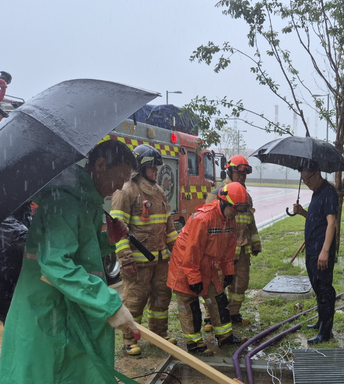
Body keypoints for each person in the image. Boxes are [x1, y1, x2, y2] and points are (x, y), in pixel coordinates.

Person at [0, 140, 153, 384]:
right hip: (48, 322)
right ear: (98, 165)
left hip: (77, 319)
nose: (118, 189)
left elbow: (84, 255)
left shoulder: (85, 203)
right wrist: (110, 306)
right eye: (118, 178)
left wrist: (107, 240)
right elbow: (57, 263)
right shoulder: (63, 200)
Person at [110, 144, 179, 356]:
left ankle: (159, 335)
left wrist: (176, 251)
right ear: (141, 168)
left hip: (160, 260)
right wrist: (126, 260)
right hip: (137, 263)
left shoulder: (159, 192)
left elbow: (168, 226)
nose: (156, 172)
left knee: (161, 298)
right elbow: (117, 231)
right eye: (153, 168)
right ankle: (130, 339)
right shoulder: (126, 192)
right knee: (135, 301)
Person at [167, 182, 250, 356]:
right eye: (235, 209)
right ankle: (194, 342)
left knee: (218, 299)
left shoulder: (229, 220)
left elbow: (229, 249)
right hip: (185, 265)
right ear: (224, 202)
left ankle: (224, 336)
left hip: (208, 266)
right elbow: (192, 252)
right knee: (190, 305)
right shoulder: (203, 219)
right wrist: (193, 278)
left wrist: (228, 271)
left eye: (239, 210)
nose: (236, 214)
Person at [203, 154, 261, 328]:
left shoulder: (245, 196)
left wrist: (256, 243)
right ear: (229, 171)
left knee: (240, 284)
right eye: (239, 173)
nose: (242, 176)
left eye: (245, 174)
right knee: (217, 284)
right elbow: (207, 223)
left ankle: (233, 313)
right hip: (222, 252)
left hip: (242, 250)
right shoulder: (217, 194)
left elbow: (250, 222)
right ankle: (210, 317)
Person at [292, 163, 338, 344]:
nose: (307, 183)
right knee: (317, 287)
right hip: (312, 249)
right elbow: (316, 218)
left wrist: (325, 251)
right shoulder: (317, 192)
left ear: (318, 174)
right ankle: (320, 321)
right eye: (303, 180)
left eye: (308, 179)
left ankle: (325, 332)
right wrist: (302, 212)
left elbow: (331, 223)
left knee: (325, 289)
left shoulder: (329, 193)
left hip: (321, 251)